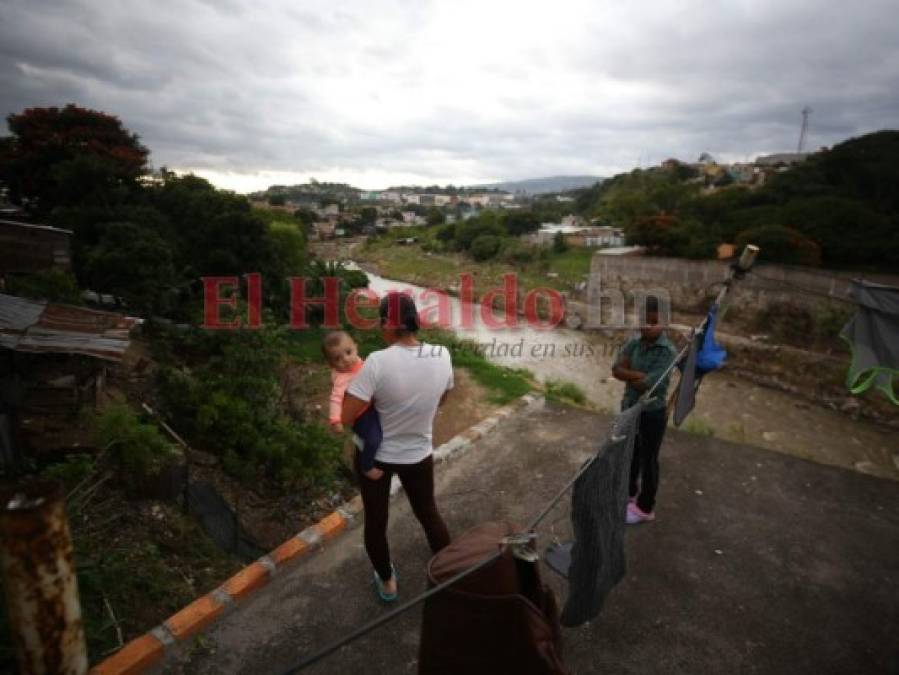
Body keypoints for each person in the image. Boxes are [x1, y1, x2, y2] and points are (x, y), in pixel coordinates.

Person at [341, 292, 453, 602]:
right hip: (418, 454)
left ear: (388, 324)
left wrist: (373, 399)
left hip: (376, 458)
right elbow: (441, 398)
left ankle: (388, 582)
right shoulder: (442, 354)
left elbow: (347, 415)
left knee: (376, 522)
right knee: (428, 513)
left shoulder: (377, 361)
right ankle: (450, 572)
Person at [612, 297, 677, 525]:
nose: (646, 326)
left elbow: (648, 384)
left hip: (652, 413)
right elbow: (616, 369)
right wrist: (637, 375)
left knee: (649, 460)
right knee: (630, 453)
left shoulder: (667, 352)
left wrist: (632, 374)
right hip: (630, 407)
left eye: (653, 322)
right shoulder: (635, 342)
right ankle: (628, 494)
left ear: (664, 323)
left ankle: (645, 508)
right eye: (643, 321)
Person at [323, 330, 382, 472]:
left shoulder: (362, 363)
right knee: (374, 439)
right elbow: (335, 400)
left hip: (372, 405)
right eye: (338, 359)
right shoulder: (341, 379)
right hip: (361, 415)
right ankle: (367, 466)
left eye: (348, 352)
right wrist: (335, 420)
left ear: (356, 347)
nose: (345, 359)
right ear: (331, 364)